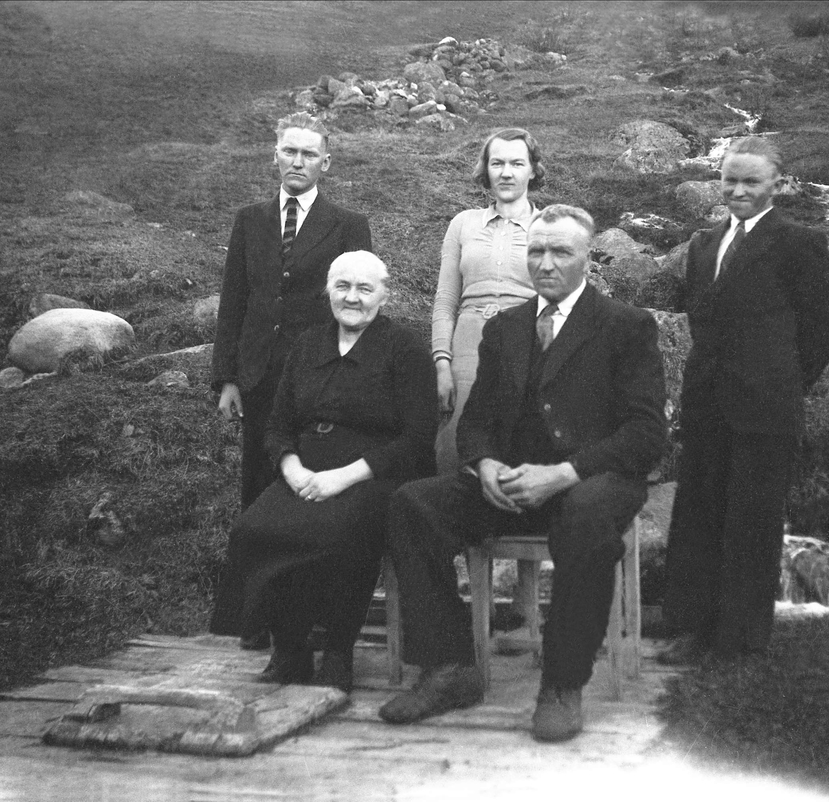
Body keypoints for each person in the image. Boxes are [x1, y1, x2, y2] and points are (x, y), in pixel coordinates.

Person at [378, 205, 667, 743]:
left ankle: (562, 683)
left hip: (593, 481)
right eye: (536, 251)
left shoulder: (626, 326)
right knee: (413, 504)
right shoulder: (506, 326)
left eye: (561, 252)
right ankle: (450, 668)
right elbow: (479, 419)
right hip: (511, 482)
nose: (546, 263)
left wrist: (565, 473)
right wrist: (484, 464)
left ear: (588, 259)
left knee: (582, 518)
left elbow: (647, 434)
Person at [209, 251, 438, 692]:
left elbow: (416, 438)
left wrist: (344, 477)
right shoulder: (308, 345)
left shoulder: (405, 348)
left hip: (375, 474)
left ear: (384, 296)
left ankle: (337, 650)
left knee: (338, 531)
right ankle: (290, 647)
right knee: (255, 528)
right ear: (328, 292)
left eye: (365, 289)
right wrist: (291, 468)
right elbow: (278, 425)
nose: (352, 298)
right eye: (343, 287)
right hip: (307, 466)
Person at [657, 136, 829, 666]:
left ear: (776, 186)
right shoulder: (702, 244)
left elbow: (821, 330)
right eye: (729, 180)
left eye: (750, 182)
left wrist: (783, 383)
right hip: (707, 403)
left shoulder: (800, 242)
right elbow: (701, 321)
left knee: (752, 520)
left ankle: (740, 639)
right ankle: (692, 628)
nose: (737, 190)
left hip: (768, 407)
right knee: (699, 513)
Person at [212, 112, 372, 514]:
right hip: (258, 374)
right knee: (257, 480)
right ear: (276, 155)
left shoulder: (348, 226)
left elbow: (358, 307)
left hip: (318, 375)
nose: (298, 162)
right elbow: (234, 301)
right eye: (290, 151)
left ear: (326, 162)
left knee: (309, 483)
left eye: (309, 154)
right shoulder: (249, 220)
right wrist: (228, 378)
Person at [432, 128, 545, 471]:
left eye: (516, 163)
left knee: (517, 441)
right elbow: (446, 299)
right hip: (467, 341)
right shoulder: (463, 223)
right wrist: (441, 363)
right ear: (486, 169)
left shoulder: (549, 224)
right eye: (497, 163)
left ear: (533, 170)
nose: (506, 172)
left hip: (527, 341)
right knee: (455, 445)